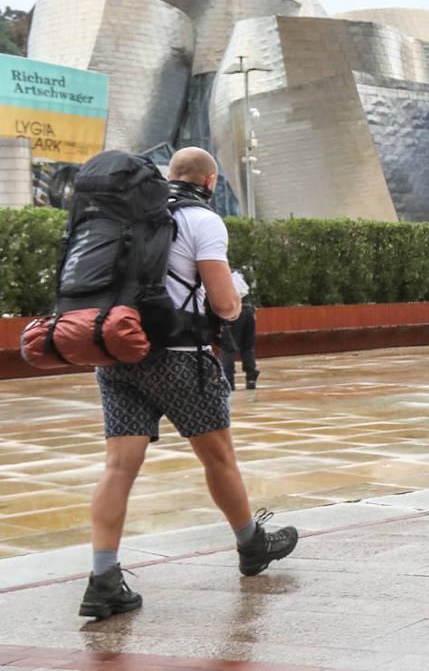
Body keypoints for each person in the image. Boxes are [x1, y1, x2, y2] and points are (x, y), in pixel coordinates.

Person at [80, 147, 298, 620]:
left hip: (118, 353)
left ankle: (103, 579)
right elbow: (223, 303)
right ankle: (251, 545)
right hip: (180, 358)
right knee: (218, 458)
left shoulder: (126, 216)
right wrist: (236, 301)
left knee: (118, 468)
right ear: (211, 180)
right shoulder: (202, 221)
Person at [218, 269, 259, 389]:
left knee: (228, 347)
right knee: (247, 347)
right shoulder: (238, 274)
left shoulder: (225, 273)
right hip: (249, 311)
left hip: (235, 312)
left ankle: (228, 381)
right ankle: (251, 379)